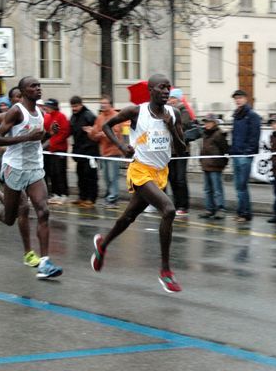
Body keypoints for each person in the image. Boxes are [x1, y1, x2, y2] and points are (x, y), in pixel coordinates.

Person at [90, 74, 186, 293]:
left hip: (160, 173)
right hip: (141, 170)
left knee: (129, 216)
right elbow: (107, 126)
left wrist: (172, 128)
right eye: (161, 87)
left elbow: (181, 149)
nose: (166, 91)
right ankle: (166, 271)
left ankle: (102, 245)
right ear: (151, 90)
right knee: (168, 209)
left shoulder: (174, 113)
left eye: (168, 87)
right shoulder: (136, 111)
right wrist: (122, 147)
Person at [0, 76, 63, 279]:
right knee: (9, 217)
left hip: (35, 167)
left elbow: (37, 140)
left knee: (43, 210)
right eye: (33, 86)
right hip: (14, 168)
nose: (38, 89)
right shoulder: (15, 111)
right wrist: (27, 137)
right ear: (23, 91)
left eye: (39, 85)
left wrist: (49, 134)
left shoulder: (39, 111)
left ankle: (45, 262)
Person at [0, 86, 40, 268]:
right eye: (16, 97)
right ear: (11, 100)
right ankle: (29, 254)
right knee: (22, 208)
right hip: (10, 166)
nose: (20, 100)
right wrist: (0, 149)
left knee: (11, 216)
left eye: (21, 97)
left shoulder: (32, 114)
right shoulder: (1, 118)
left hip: (28, 166)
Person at [85, 95, 123, 208]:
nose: (103, 105)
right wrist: (90, 132)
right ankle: (108, 197)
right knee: (106, 177)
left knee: (113, 176)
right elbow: (95, 135)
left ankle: (113, 199)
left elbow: (116, 133)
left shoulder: (116, 116)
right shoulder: (100, 117)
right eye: (102, 103)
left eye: (105, 103)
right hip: (103, 151)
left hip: (114, 151)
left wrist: (103, 134)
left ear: (110, 104)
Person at [229, 89, 261, 222]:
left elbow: (255, 135)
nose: (238, 100)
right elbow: (235, 135)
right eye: (236, 98)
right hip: (236, 154)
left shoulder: (252, 115)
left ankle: (245, 213)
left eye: (240, 97)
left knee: (242, 185)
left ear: (245, 99)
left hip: (245, 155)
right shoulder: (236, 115)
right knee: (238, 186)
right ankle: (241, 211)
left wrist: (248, 151)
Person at [69, 95, 99, 208]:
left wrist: (92, 132)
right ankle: (82, 197)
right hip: (79, 151)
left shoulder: (89, 115)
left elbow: (97, 132)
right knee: (80, 175)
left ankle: (91, 198)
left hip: (90, 152)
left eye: (76, 106)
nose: (74, 108)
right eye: (72, 106)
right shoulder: (73, 117)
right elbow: (72, 133)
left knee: (90, 176)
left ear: (81, 104)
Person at [198, 113, 229, 219]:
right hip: (206, 165)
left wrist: (222, 162)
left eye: (209, 122)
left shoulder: (218, 134)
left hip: (215, 166)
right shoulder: (205, 134)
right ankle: (209, 209)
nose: (207, 124)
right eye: (206, 122)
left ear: (214, 123)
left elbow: (225, 149)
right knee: (207, 189)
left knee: (217, 189)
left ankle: (220, 209)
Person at [167, 88, 192, 216]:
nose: (171, 100)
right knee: (172, 178)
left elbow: (182, 127)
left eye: (173, 98)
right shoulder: (166, 111)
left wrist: (170, 122)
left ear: (179, 99)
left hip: (182, 150)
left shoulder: (183, 111)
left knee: (180, 179)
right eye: (170, 98)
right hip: (170, 151)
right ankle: (176, 204)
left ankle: (184, 205)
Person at [42, 98, 71, 205]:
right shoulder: (48, 116)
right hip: (51, 150)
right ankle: (55, 193)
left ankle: (63, 194)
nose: (46, 108)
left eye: (48, 107)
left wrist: (52, 142)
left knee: (60, 172)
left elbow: (64, 132)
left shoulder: (60, 116)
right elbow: (46, 131)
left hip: (59, 149)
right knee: (52, 172)